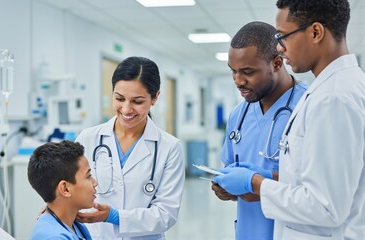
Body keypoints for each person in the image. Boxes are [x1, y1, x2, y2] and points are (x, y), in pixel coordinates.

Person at [214, 0, 365, 239]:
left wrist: (256, 182)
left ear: (315, 32)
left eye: (284, 36)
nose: (281, 48)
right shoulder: (328, 91)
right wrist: (255, 180)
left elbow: (325, 205)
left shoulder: (333, 99)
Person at [210, 21, 307, 240]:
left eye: (248, 72)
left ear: (277, 63)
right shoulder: (238, 115)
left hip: (293, 232)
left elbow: (318, 188)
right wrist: (228, 189)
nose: (238, 81)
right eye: (233, 71)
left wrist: (256, 182)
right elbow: (235, 175)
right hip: (248, 231)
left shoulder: (308, 106)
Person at [75, 56, 185, 239]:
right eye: (119, 98)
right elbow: (69, 185)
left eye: (137, 101)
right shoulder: (88, 138)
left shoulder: (169, 148)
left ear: (155, 97)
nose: (126, 109)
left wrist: (115, 217)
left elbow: (167, 214)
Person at [27, 140, 96, 240]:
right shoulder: (52, 237)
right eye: (88, 176)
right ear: (65, 189)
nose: (95, 183)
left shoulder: (73, 224)